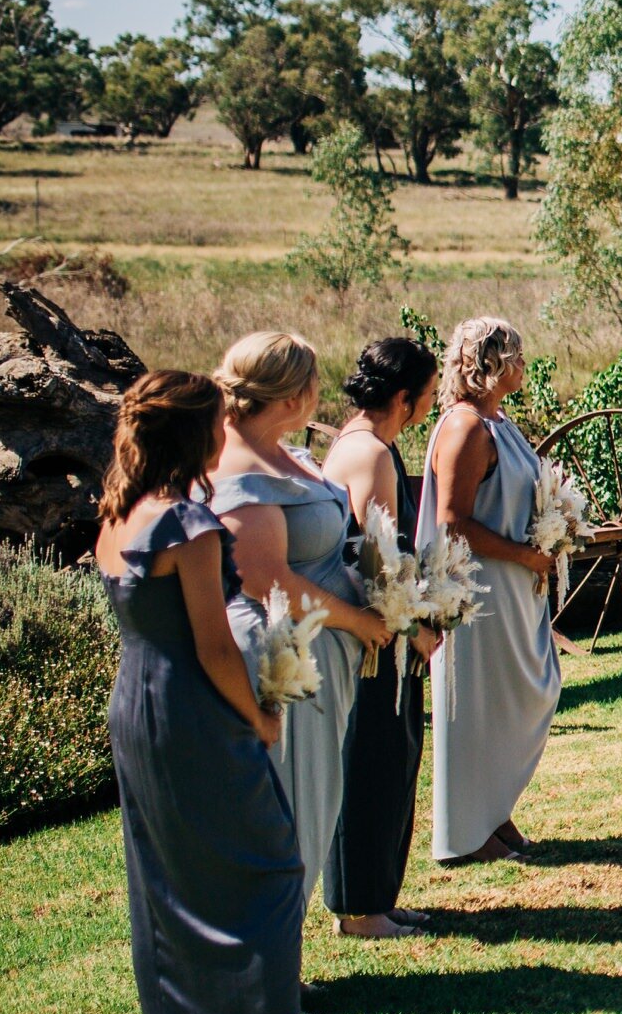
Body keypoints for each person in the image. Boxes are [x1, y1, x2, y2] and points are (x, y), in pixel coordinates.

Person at [97, 370, 364, 1014]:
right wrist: (259, 715)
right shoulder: (189, 524)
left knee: (164, 877)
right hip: (195, 711)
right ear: (196, 434)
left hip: (136, 710)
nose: (227, 431)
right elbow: (217, 648)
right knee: (273, 865)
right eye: (218, 420)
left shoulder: (118, 513)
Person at [204, 332, 392, 915]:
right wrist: (358, 621)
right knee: (289, 803)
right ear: (293, 396)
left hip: (319, 654)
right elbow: (265, 580)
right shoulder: (238, 468)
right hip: (281, 655)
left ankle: (279, 956)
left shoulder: (282, 448)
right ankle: (265, 964)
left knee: (314, 801)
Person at [421, 317, 563, 862]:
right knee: (479, 703)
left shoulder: (498, 421)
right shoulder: (464, 428)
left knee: (525, 693)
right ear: (493, 363)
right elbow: (453, 520)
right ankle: (464, 831)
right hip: (478, 589)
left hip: (512, 587)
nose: (525, 366)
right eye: (518, 356)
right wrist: (527, 554)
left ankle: (493, 811)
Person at [319, 337, 443, 938]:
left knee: (394, 760)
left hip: (384, 636)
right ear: (403, 398)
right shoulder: (368, 454)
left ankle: (377, 898)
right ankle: (361, 910)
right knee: (370, 762)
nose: (433, 401)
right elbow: (372, 560)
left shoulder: (370, 444)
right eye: (429, 393)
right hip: (371, 642)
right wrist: (413, 626)